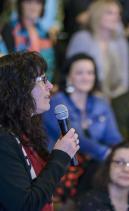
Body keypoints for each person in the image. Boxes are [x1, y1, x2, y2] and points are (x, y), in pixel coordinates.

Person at [0, 51, 79, 211]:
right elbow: (24, 208)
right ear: (19, 87)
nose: (50, 85)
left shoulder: (25, 131)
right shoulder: (3, 141)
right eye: (42, 80)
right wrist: (59, 157)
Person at [43, 53, 122, 197]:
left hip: (93, 167)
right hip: (62, 168)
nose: (86, 77)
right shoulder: (57, 102)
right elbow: (76, 138)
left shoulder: (101, 103)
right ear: (68, 77)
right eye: (80, 73)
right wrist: (106, 154)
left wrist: (122, 154)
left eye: (90, 73)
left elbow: (114, 138)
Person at [66, 0, 129, 98]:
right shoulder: (82, 39)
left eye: (118, 13)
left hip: (117, 98)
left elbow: (125, 79)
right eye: (110, 13)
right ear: (97, 15)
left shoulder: (121, 43)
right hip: (84, 96)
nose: (116, 17)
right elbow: (69, 73)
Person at [2, 0, 55, 81]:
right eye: (28, 2)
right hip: (16, 85)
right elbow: (5, 62)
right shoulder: (9, 29)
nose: (33, 7)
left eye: (38, 2)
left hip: (44, 84)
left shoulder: (45, 33)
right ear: (20, 5)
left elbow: (51, 64)